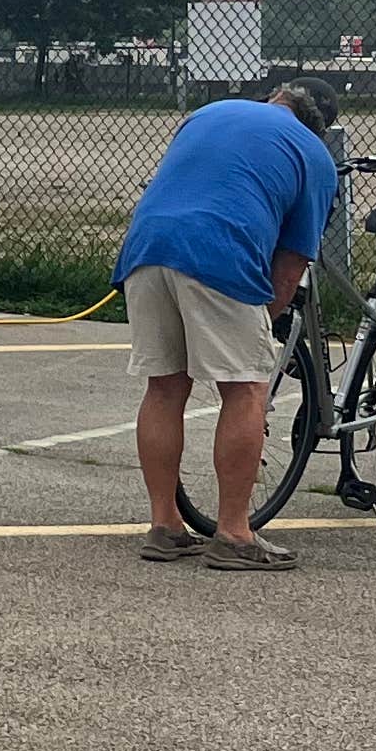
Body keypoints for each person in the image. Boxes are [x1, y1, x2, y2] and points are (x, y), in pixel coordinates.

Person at [118, 80, 343, 573]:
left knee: (164, 388)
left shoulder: (209, 112)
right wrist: (264, 324)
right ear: (322, 127)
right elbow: (290, 266)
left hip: (147, 247)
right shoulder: (315, 156)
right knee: (244, 389)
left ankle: (165, 527)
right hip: (219, 253)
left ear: (274, 99)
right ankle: (235, 534)